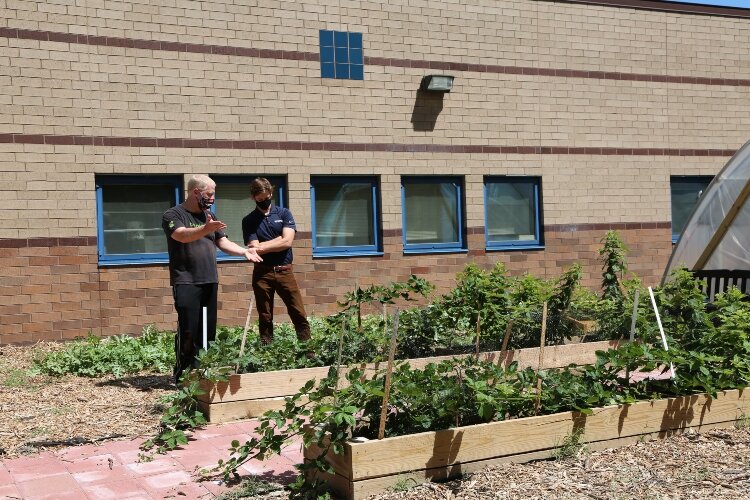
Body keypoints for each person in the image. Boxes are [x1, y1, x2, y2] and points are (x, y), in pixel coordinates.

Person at [162, 174, 262, 382]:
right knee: (189, 330)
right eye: (209, 194)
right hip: (186, 281)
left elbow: (223, 242)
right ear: (196, 192)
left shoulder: (209, 214)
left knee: (207, 330)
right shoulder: (173, 214)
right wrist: (205, 228)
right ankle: (183, 376)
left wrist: (244, 252)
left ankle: (202, 373)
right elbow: (181, 235)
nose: (212, 198)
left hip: (209, 280)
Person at [242, 177, 311, 346]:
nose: (264, 200)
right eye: (260, 199)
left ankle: (308, 350)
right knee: (265, 315)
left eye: (267, 197)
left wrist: (265, 245)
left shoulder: (284, 213)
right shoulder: (249, 220)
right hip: (262, 273)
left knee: (298, 312)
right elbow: (254, 247)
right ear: (253, 197)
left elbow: (287, 242)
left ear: (271, 193)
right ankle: (268, 352)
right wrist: (278, 241)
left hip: (285, 270)